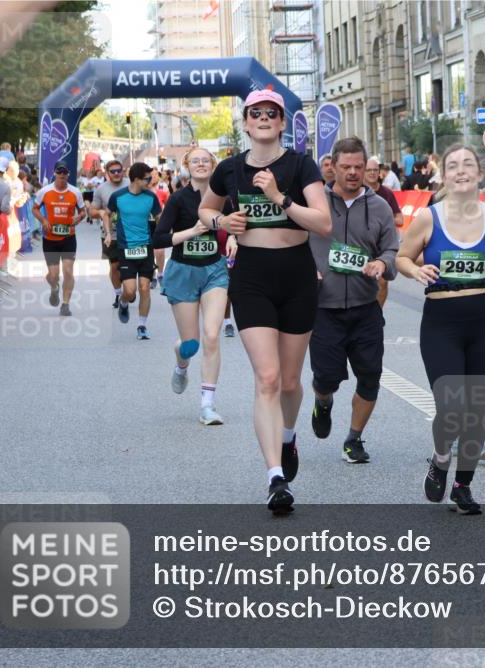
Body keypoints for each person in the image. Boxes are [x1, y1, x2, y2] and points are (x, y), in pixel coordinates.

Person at [198, 88, 331, 515]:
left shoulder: (299, 164)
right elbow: (205, 211)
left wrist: (279, 198)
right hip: (252, 277)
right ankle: (275, 476)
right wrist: (221, 221)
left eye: (271, 113)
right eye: (256, 113)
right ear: (245, 122)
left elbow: (324, 223)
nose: (264, 118)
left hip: (296, 274)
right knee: (268, 378)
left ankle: (288, 437)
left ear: (281, 122)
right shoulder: (230, 168)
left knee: (291, 382)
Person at [396, 142, 485, 514]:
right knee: (450, 405)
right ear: (445, 174)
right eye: (453, 165)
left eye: (468, 164)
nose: (461, 170)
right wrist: (416, 270)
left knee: (477, 408)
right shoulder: (428, 218)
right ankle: (440, 458)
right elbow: (402, 257)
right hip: (441, 320)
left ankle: (462, 484)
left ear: (480, 173)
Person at [309, 138, 399, 463]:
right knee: (326, 378)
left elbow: (391, 248)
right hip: (323, 309)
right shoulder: (315, 201)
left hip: (365, 308)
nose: (352, 173)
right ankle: (323, 401)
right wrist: (307, 270)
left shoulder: (379, 207)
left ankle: (354, 439)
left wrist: (382, 264)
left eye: (358, 167)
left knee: (370, 376)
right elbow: (292, 242)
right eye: (345, 167)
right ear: (332, 165)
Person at [153, 148, 232, 426]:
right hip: (183, 271)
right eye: (195, 161)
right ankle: (180, 361)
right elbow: (158, 239)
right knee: (191, 344)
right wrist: (192, 232)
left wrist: (233, 237)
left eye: (205, 160)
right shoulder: (178, 199)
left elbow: (237, 224)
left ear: (213, 165)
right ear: (187, 166)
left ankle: (207, 406)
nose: (201, 164)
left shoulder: (224, 197)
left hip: (214, 272)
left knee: (212, 336)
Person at [108, 162, 163, 339]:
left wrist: (165, 234)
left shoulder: (151, 197)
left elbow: (159, 218)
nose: (150, 180)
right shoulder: (118, 197)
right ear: (137, 179)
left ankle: (142, 325)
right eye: (147, 178)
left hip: (146, 247)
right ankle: (123, 302)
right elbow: (106, 214)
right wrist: (109, 233)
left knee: (145, 288)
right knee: (130, 291)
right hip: (126, 249)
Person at [32, 161, 86, 316]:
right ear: (55, 173)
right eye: (59, 173)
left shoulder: (75, 192)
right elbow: (34, 208)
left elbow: (83, 211)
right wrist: (43, 220)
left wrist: (79, 217)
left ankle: (65, 304)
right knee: (54, 275)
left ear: (68, 174)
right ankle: (54, 288)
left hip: (68, 237)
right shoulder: (45, 191)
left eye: (65, 173)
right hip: (50, 238)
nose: (62, 176)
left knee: (68, 271)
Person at [364, 157, 404, 308]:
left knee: (382, 281)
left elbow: (400, 220)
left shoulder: (386, 193)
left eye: (375, 170)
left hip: (382, 244)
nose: (373, 173)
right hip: (360, 242)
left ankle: (377, 314)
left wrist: (381, 219)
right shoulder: (356, 190)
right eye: (369, 170)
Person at [91, 160, 127, 308]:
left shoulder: (131, 185)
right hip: (109, 234)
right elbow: (92, 211)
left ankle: (129, 289)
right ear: (107, 173)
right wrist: (99, 212)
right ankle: (118, 294)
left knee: (128, 266)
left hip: (131, 233)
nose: (117, 173)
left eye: (119, 170)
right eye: (113, 171)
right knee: (114, 267)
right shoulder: (101, 189)